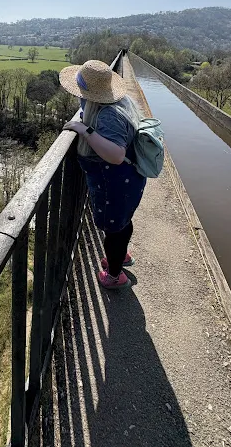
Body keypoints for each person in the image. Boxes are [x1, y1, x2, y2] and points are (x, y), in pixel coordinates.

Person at [59, 59, 146, 289]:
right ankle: (121, 256)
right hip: (127, 181)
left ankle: (115, 276)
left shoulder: (108, 115)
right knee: (123, 223)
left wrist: (84, 129)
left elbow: (116, 155)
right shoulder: (120, 104)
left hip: (114, 184)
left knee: (113, 230)